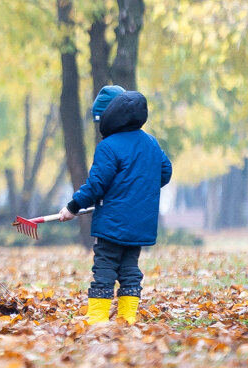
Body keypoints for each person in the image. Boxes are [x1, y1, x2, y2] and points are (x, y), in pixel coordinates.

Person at [59, 86, 173, 325]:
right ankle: (127, 317)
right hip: (140, 224)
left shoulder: (108, 147)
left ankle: (98, 317)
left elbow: (96, 185)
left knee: (105, 266)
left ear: (109, 118)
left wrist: (72, 207)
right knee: (130, 268)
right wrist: (139, 190)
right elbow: (165, 172)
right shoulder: (151, 143)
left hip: (112, 224)